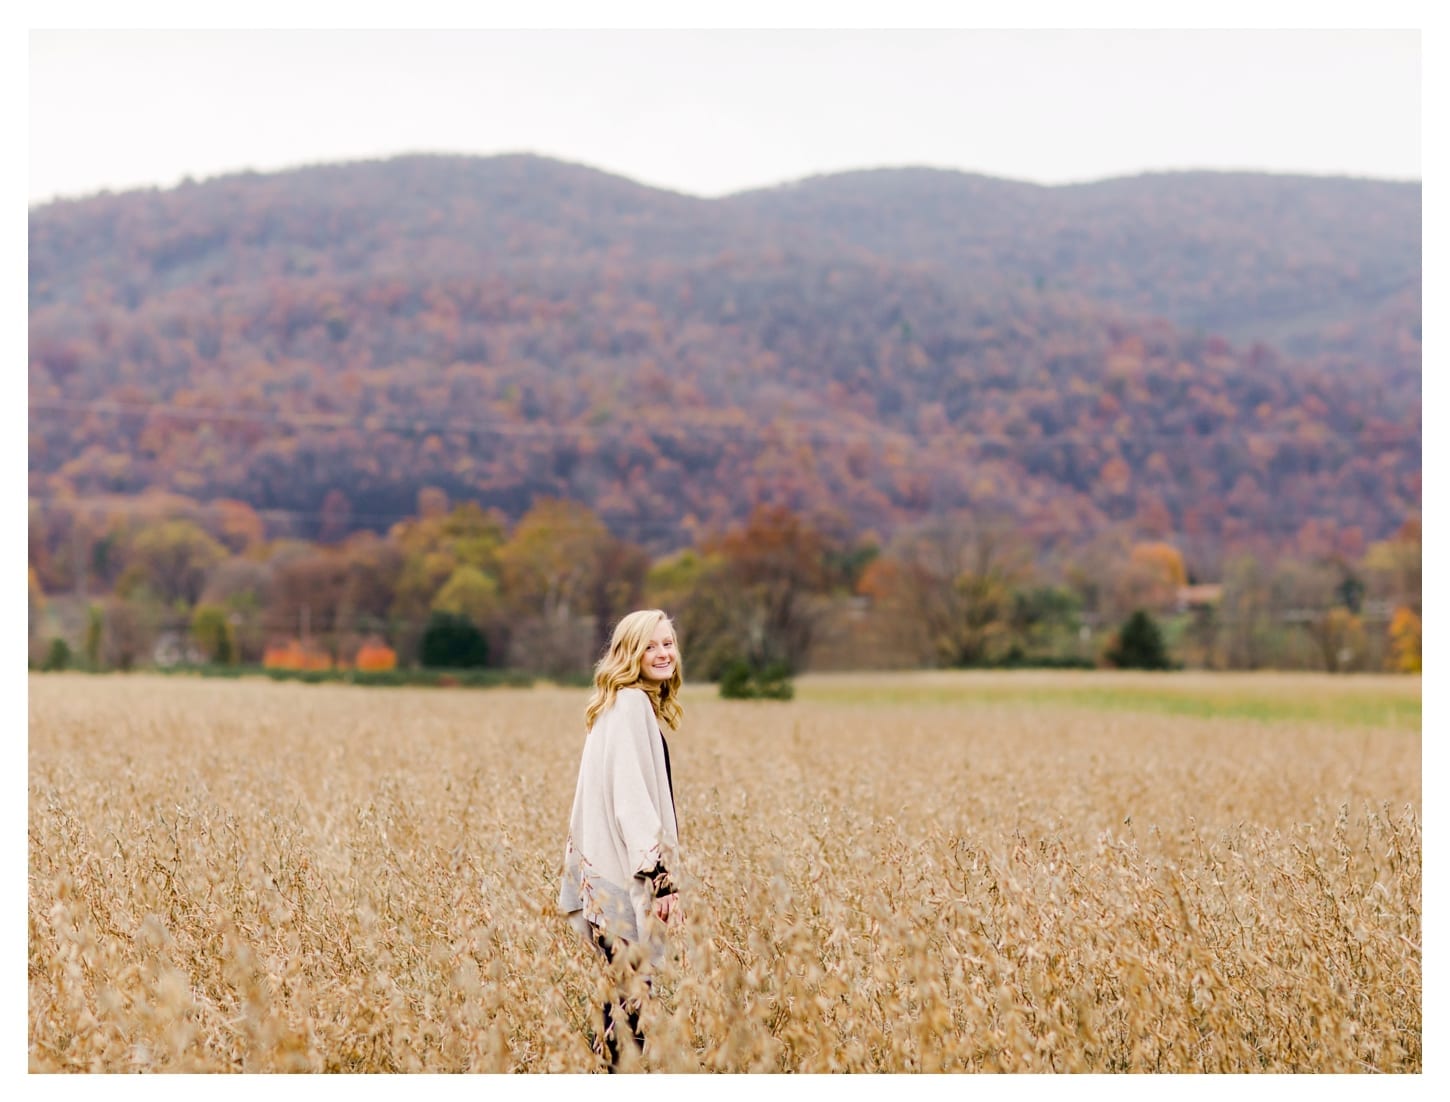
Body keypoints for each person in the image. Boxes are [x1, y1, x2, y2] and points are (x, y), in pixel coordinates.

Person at [559, 609, 683, 1071]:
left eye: (668, 643)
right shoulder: (630, 705)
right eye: (650, 646)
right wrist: (661, 880)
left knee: (618, 1011)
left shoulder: (616, 704)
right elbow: (631, 804)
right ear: (630, 652)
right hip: (622, 887)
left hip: (600, 887)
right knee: (630, 1017)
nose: (663, 653)